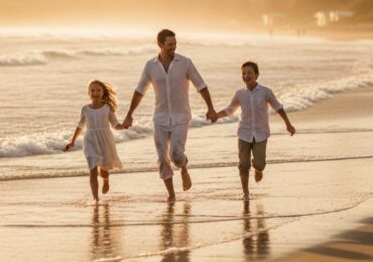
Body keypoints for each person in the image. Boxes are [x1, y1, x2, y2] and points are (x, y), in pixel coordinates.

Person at [122, 29, 217, 202]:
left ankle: (184, 167)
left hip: (181, 117)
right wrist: (129, 115)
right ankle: (171, 194)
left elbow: (201, 85)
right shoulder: (150, 66)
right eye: (169, 44)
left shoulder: (185, 63)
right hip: (160, 118)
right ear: (160, 44)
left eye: (175, 44)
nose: (173, 47)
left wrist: (210, 108)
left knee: (176, 154)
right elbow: (139, 91)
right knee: (161, 158)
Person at [216, 60, 295, 200]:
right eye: (244, 73)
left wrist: (288, 124)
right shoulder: (239, 93)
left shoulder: (266, 92)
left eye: (250, 73)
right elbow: (230, 110)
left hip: (261, 133)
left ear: (257, 75)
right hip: (244, 133)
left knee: (259, 163)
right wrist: (216, 115)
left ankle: (258, 170)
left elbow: (278, 107)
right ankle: (245, 193)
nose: (246, 75)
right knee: (243, 164)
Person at [65, 80, 124, 201]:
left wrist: (123, 126)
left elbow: (115, 124)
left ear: (103, 93)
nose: (95, 92)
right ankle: (96, 199)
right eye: (92, 90)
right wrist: (72, 141)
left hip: (105, 140)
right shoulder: (85, 109)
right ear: (88, 93)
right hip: (90, 140)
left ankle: (106, 180)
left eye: (98, 90)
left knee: (103, 170)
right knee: (92, 167)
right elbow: (80, 126)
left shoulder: (108, 108)